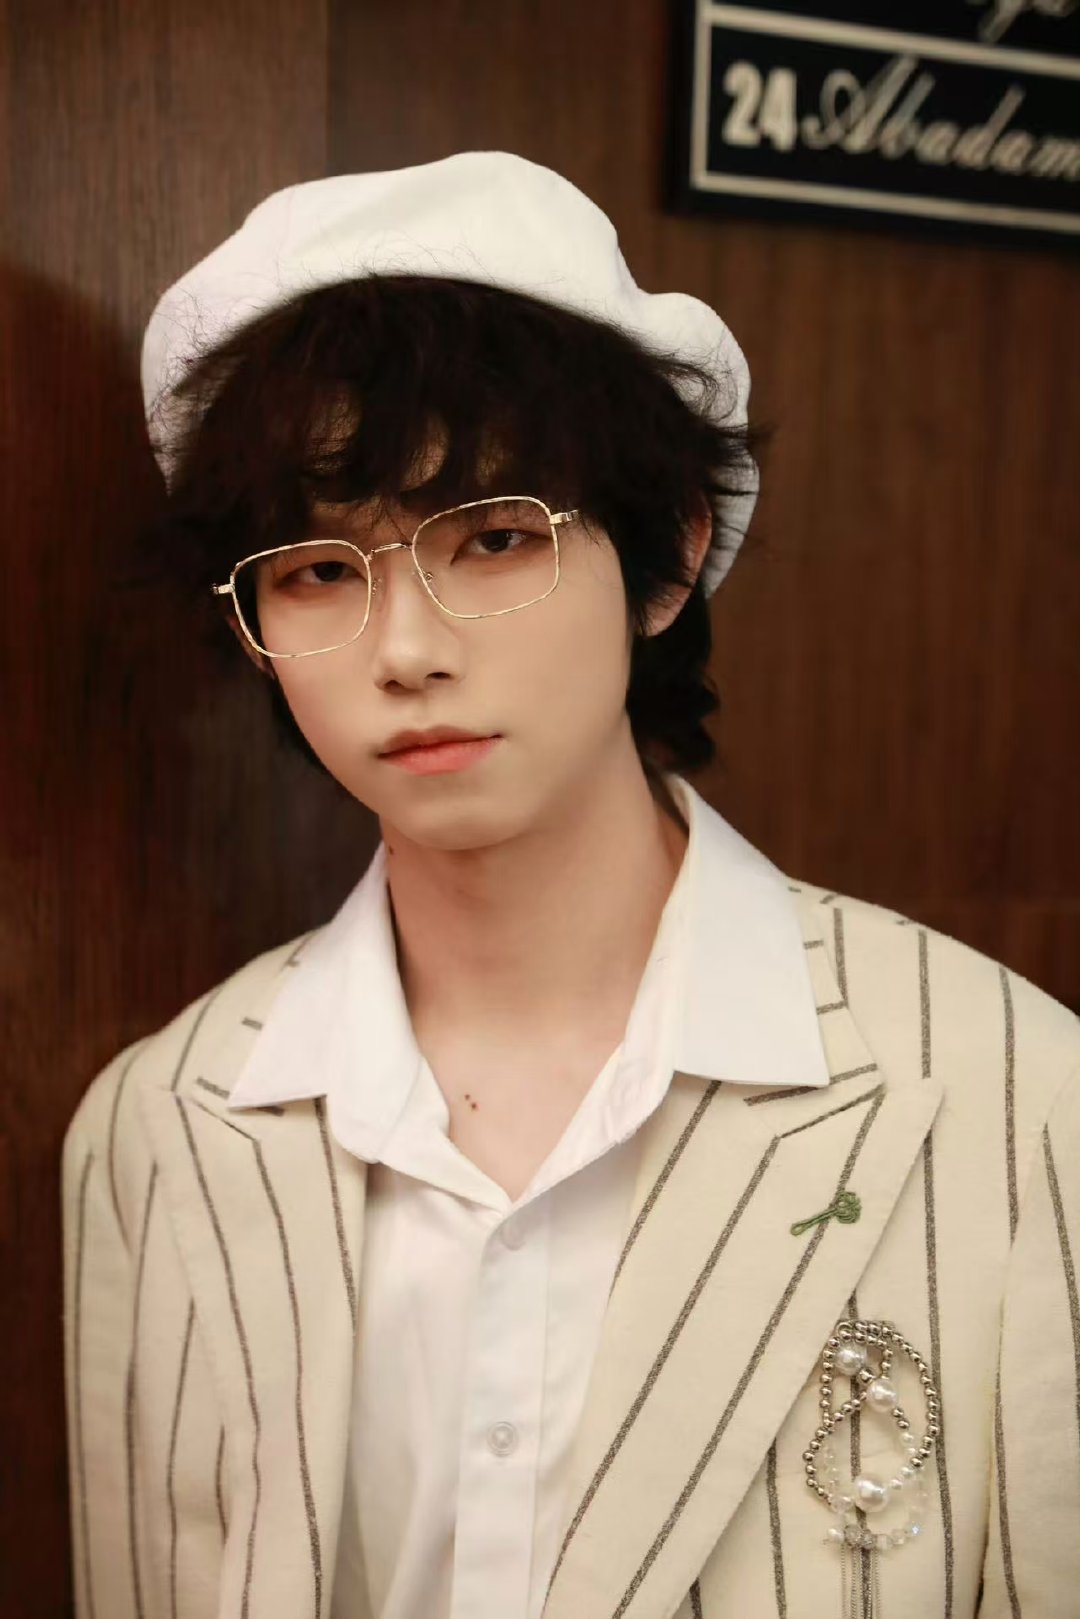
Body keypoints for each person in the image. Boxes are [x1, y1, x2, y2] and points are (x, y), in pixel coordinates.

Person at [61, 152, 1080, 1619]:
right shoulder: (159, 1129)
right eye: (321, 571)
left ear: (667, 560)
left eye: (493, 539)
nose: (408, 649)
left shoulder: (1012, 1093)